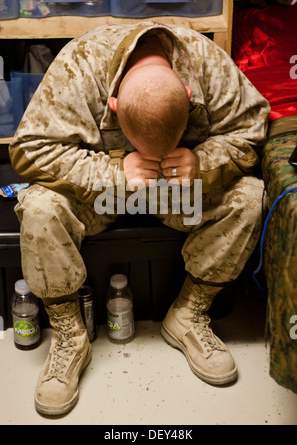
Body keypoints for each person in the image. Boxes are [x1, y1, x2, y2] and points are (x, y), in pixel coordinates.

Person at [9, 22, 270, 416]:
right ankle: (69, 335)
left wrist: (200, 161)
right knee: (39, 207)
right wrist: (114, 171)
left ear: (187, 95)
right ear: (112, 104)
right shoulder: (81, 64)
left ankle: (188, 314)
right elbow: (28, 150)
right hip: (101, 194)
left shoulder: (206, 63)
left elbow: (250, 130)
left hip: (178, 190)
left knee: (249, 196)